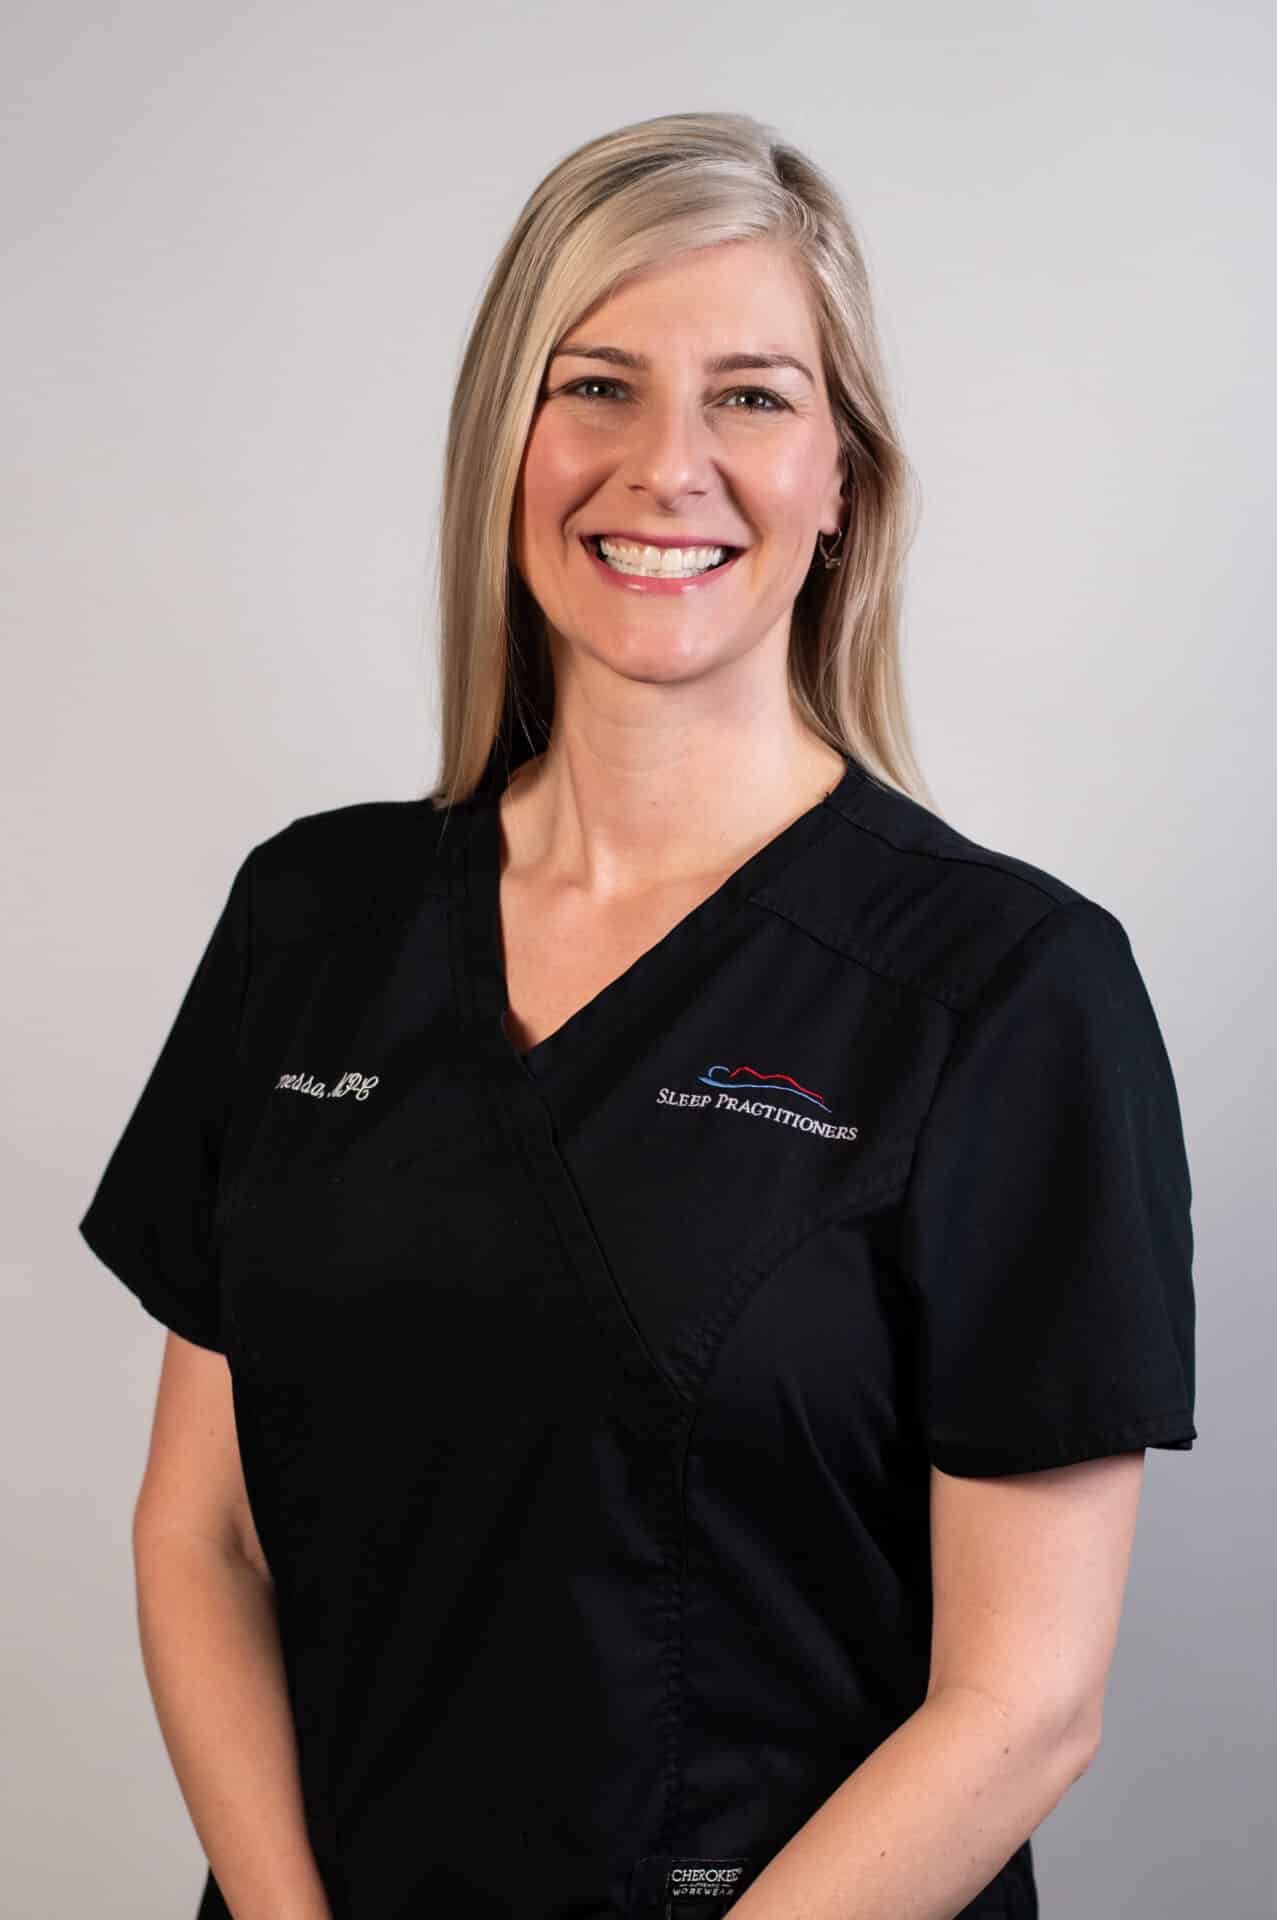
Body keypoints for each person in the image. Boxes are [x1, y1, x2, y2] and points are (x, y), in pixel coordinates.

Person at [78, 111, 1197, 1920]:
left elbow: (1023, 1701)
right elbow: (200, 1532)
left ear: (845, 481)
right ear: (502, 447)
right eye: (592, 384)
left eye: (750, 397)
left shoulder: (1004, 987)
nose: (663, 464)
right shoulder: (313, 917)